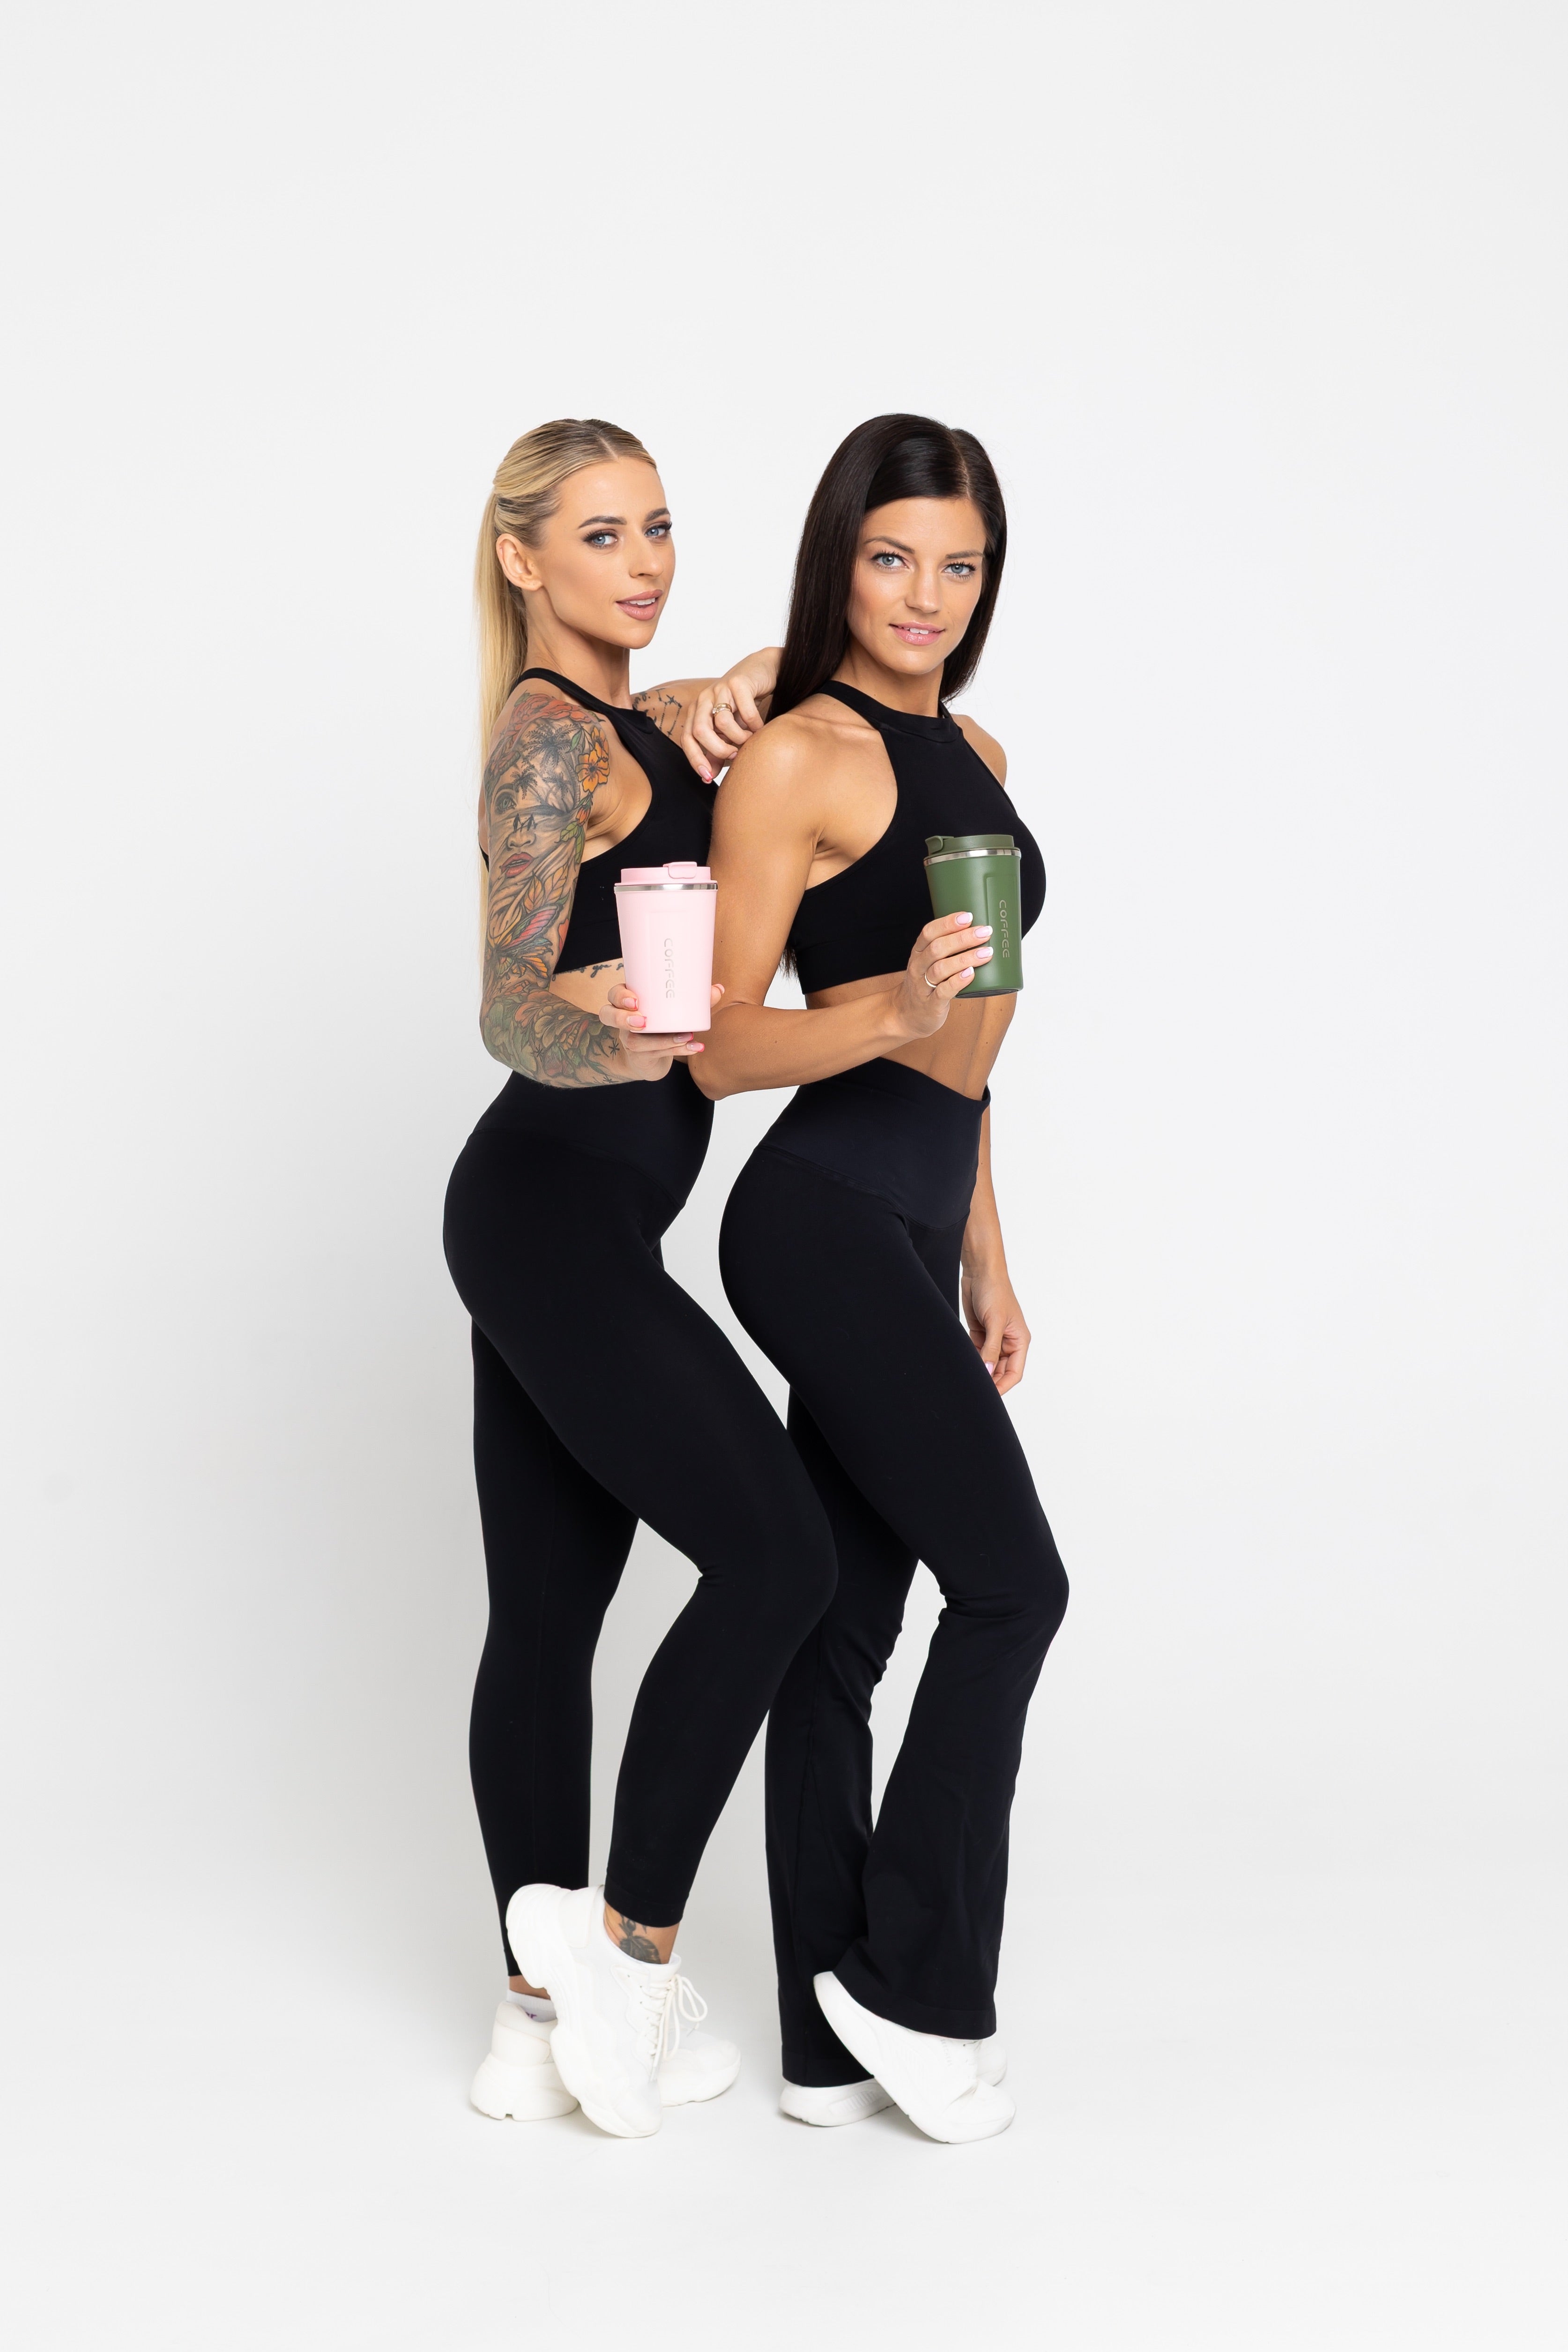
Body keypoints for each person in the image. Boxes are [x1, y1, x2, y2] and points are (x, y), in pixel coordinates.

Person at [443, 418, 837, 2140]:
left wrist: (737, 680)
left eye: (659, 526)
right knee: (779, 1556)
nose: (644, 561)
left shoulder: (637, 717)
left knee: (547, 1619)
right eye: (602, 535)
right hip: (547, 1211)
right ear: (523, 558)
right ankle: (623, 1961)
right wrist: (609, 1019)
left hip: (563, 1225)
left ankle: (529, 2021)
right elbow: (504, 1004)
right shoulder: (548, 736)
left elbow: (728, 715)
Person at [695, 413, 1069, 2144]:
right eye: (892, 557)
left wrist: (985, 1252)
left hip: (919, 1214)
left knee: (844, 1631)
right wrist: (885, 1014)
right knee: (1014, 1587)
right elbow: (715, 1044)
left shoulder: (975, 747)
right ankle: (917, 1990)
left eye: (959, 564)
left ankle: (820, 2041)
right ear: (839, 561)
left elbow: (977, 1044)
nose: (926, 594)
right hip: (821, 1214)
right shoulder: (798, 754)